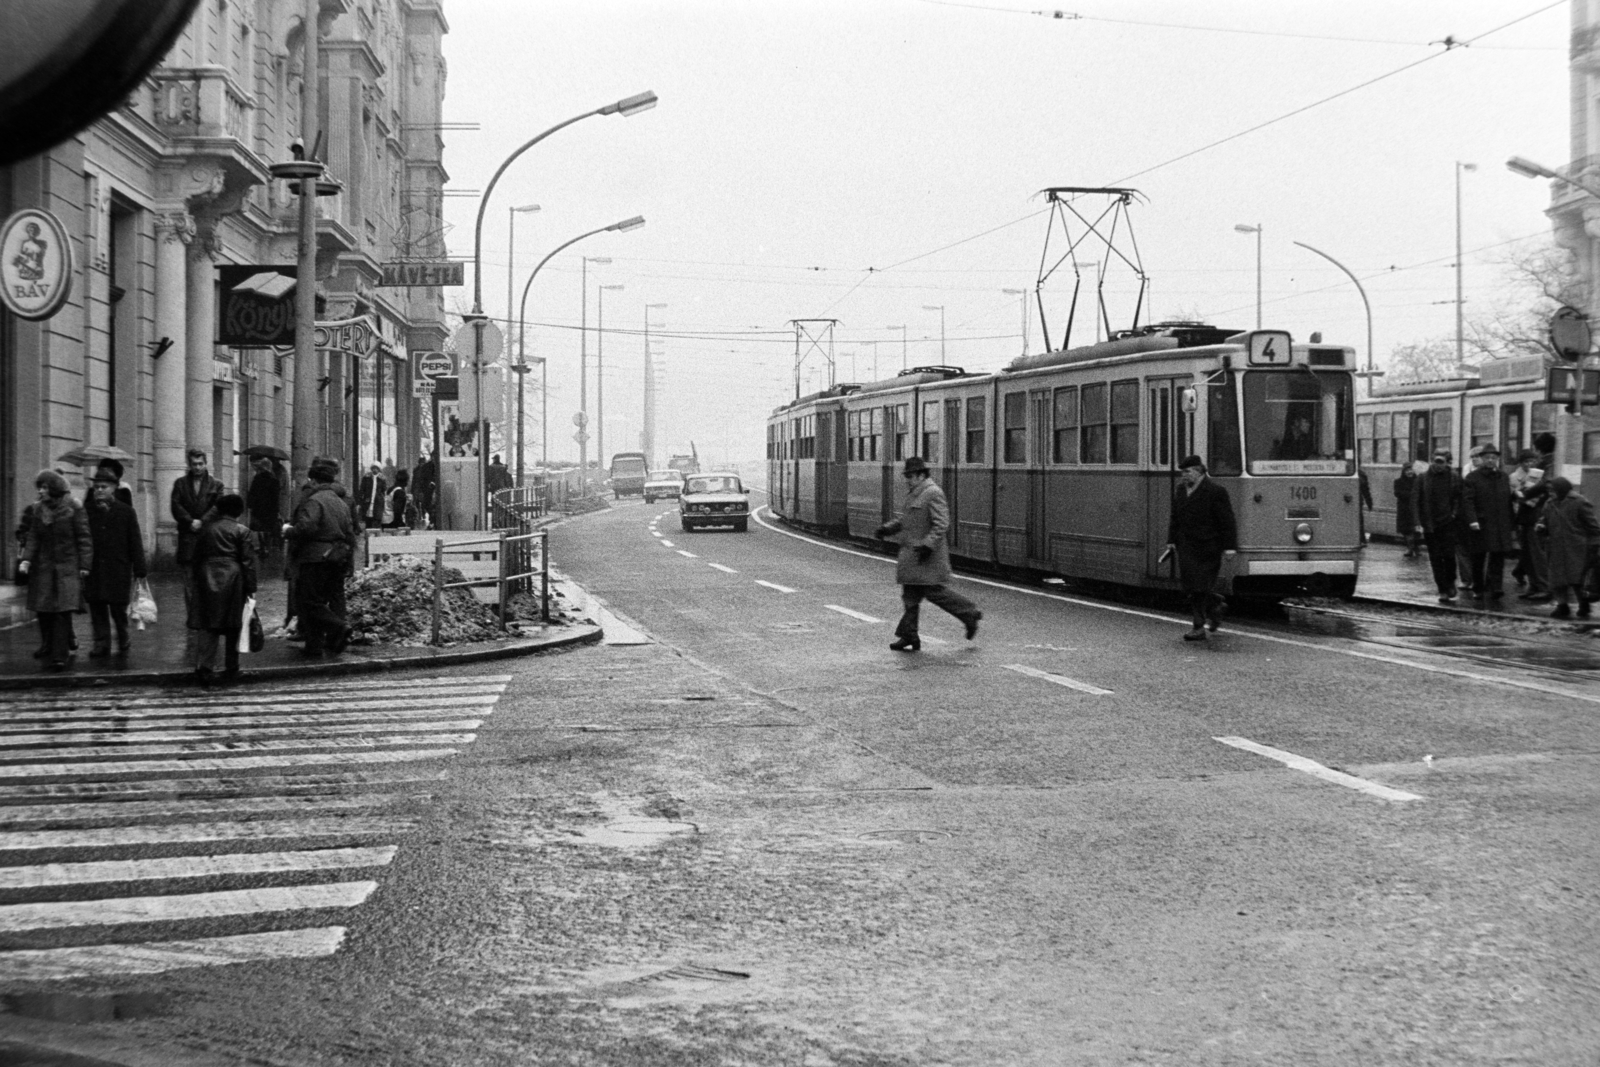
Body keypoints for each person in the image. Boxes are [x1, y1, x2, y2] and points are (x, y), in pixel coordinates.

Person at [873, 456, 981, 651]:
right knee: (911, 597)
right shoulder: (915, 493)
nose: (907, 479)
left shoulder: (933, 493)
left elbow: (942, 523)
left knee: (934, 592)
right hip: (913, 556)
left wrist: (928, 545)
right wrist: (887, 529)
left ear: (921, 475)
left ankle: (969, 612)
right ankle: (909, 635)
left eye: (911, 476)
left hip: (925, 556)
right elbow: (906, 521)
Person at [18, 470, 92, 670]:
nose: (40, 492)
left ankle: (60, 654)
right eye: (40, 488)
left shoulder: (74, 508)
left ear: (54, 490)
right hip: (43, 567)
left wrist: (85, 565)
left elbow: (84, 538)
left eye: (44, 488)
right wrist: (26, 560)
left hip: (67, 567)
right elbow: (33, 536)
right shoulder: (38, 509)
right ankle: (48, 645)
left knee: (62, 611)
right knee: (44, 609)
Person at [285, 462, 356, 658]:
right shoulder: (340, 502)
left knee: (308, 602)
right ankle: (314, 646)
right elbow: (350, 533)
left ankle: (338, 628)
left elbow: (307, 527)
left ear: (314, 480)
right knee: (325, 600)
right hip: (337, 557)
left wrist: (289, 531)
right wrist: (349, 560)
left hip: (315, 558)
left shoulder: (315, 501)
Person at [1165, 454, 1238, 641]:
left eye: (1187, 472)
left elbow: (1227, 521)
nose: (1183, 475)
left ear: (1198, 471)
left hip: (1208, 546)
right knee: (1191, 587)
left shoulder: (1215, 491)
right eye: (1182, 472)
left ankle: (1199, 626)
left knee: (1200, 585)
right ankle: (1215, 605)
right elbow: (1175, 517)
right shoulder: (1181, 490)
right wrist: (1171, 540)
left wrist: (1230, 546)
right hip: (1186, 546)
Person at [190, 493, 257, 684]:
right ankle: (231, 668)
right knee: (233, 624)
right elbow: (248, 562)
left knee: (208, 625)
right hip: (234, 578)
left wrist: (197, 578)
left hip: (207, 575)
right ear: (239, 511)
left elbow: (197, 557)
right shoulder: (242, 531)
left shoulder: (206, 529)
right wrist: (251, 587)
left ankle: (204, 667)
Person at [83, 467, 147, 657]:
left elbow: (135, 540)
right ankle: (101, 643)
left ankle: (123, 636)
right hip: (94, 567)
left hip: (118, 567)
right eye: (96, 487)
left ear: (114, 488)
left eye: (103, 487)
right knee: (97, 606)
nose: (99, 490)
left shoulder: (126, 512)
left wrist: (140, 567)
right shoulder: (87, 511)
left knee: (118, 608)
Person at [170, 447, 224, 659]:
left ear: (206, 463)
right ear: (189, 464)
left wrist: (203, 521)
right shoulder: (180, 484)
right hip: (188, 537)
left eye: (201, 464)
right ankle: (194, 618)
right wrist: (189, 521)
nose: (198, 467)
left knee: (210, 580)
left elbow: (218, 507)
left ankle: (209, 616)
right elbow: (175, 506)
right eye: (194, 464)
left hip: (209, 537)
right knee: (189, 581)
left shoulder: (216, 485)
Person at [1536, 477, 1600, 619]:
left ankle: (1584, 605)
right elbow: (1544, 519)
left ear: (1562, 489)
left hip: (1577, 548)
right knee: (1557, 581)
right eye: (1548, 490)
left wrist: (1594, 547)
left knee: (1577, 580)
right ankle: (1562, 606)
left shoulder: (1579, 502)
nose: (1550, 493)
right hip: (1556, 547)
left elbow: (1593, 527)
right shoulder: (1549, 503)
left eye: (1553, 490)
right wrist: (1542, 526)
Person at [1462, 443, 1514, 603]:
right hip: (1481, 524)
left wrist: (1511, 522)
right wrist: (1472, 520)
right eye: (1487, 458)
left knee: (1498, 557)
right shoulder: (1472, 478)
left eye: (1494, 458)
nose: (1491, 461)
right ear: (1482, 459)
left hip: (1500, 523)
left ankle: (1496, 587)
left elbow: (1508, 501)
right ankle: (1478, 587)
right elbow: (1467, 501)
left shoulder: (1503, 477)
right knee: (1478, 558)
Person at [1417, 450, 1464, 603]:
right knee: (1436, 558)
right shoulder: (1423, 478)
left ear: (1447, 463)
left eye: (1441, 462)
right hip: (1430, 524)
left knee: (1449, 556)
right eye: (1435, 461)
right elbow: (1415, 501)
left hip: (1448, 523)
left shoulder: (1454, 478)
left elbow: (1459, 498)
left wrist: (1454, 514)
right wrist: (1418, 523)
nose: (1438, 465)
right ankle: (1442, 589)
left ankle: (1450, 582)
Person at [1508, 448, 1550, 602]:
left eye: (1532, 461)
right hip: (1523, 517)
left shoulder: (1542, 476)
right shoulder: (1514, 477)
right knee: (1527, 554)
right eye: (1526, 461)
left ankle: (1543, 586)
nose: (1529, 464)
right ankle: (1533, 586)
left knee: (1536, 554)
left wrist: (1524, 496)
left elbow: (1541, 497)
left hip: (1535, 517)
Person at [246, 455, 282, 557]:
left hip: (258, 508)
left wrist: (250, 504)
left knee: (259, 528)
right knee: (268, 528)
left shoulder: (257, 478)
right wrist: (277, 510)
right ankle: (267, 546)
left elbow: (252, 493)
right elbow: (276, 498)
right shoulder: (275, 480)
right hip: (270, 509)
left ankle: (262, 546)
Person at [1393, 462, 1421, 559]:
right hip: (1404, 509)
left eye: (1411, 470)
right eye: (1407, 470)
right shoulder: (1398, 481)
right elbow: (1397, 493)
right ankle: (1410, 547)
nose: (1410, 472)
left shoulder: (1418, 481)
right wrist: (1412, 495)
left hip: (1415, 509)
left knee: (1416, 530)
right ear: (1404, 472)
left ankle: (1415, 547)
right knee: (1406, 530)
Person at [356, 463, 387, 529]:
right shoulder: (366, 478)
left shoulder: (382, 479)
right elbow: (362, 490)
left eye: (376, 468)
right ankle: (368, 534)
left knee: (377, 519)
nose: (375, 470)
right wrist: (359, 502)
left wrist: (382, 499)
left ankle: (375, 535)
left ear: (379, 469)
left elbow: (384, 490)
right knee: (368, 519)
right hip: (368, 501)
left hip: (378, 502)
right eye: (373, 468)